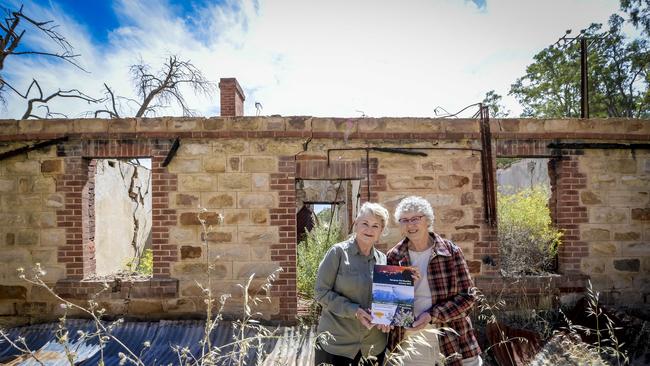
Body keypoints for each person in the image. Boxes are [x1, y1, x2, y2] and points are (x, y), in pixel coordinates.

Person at [386, 196, 482, 366]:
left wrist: (432, 315)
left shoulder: (451, 252)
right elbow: (389, 307)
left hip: (453, 337)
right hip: (411, 341)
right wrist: (407, 287)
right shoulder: (394, 256)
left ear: (428, 220)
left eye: (416, 218)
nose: (410, 225)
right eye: (404, 220)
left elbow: (468, 297)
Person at [314, 202, 391, 366]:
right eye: (365, 223)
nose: (369, 229)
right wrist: (354, 311)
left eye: (375, 226)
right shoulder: (338, 253)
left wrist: (387, 318)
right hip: (336, 345)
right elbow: (321, 292)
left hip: (373, 346)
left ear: (381, 231)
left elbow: (386, 301)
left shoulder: (383, 260)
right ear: (356, 224)